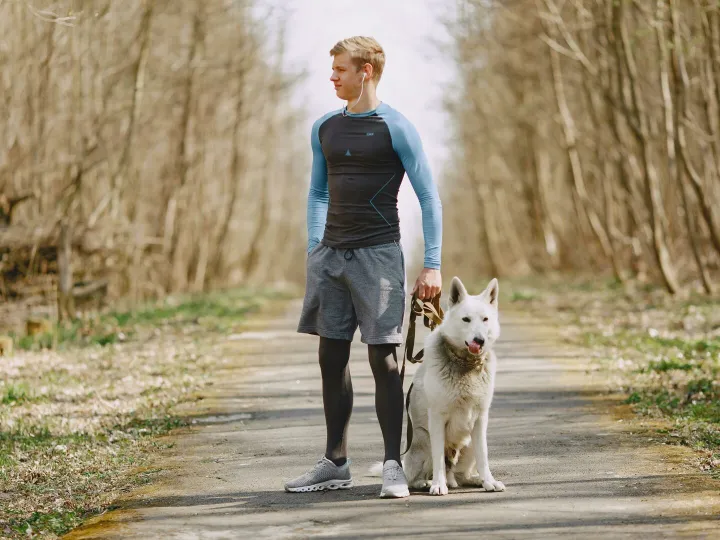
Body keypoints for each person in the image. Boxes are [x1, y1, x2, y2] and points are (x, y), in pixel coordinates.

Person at [285, 36, 442, 499]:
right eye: (332, 70)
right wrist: (315, 245)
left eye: (339, 70)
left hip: (378, 256)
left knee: (385, 359)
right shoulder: (325, 128)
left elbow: (428, 196)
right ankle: (335, 462)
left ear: (366, 72)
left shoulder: (397, 128)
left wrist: (431, 265)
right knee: (330, 357)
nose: (332, 77)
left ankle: (393, 465)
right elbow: (317, 193)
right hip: (330, 257)